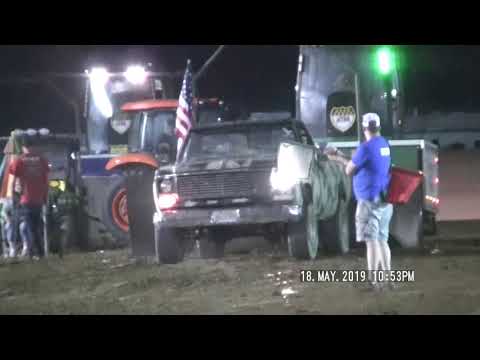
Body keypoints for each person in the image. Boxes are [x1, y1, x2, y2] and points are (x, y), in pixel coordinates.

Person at [327, 113, 394, 290]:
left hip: (368, 202)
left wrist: (336, 158)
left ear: (364, 128)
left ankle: (374, 281)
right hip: (385, 201)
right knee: (382, 241)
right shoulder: (385, 144)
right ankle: (388, 279)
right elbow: (364, 164)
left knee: (372, 243)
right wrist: (343, 156)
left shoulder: (365, 148)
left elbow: (349, 170)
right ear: (378, 127)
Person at [8, 136, 50, 260]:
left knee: (30, 227)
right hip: (39, 198)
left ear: (24, 147)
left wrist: (13, 196)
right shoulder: (42, 160)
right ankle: (40, 252)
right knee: (38, 226)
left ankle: (33, 252)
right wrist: (45, 196)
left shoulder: (19, 161)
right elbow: (46, 180)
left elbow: (14, 180)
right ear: (34, 147)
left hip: (25, 199)